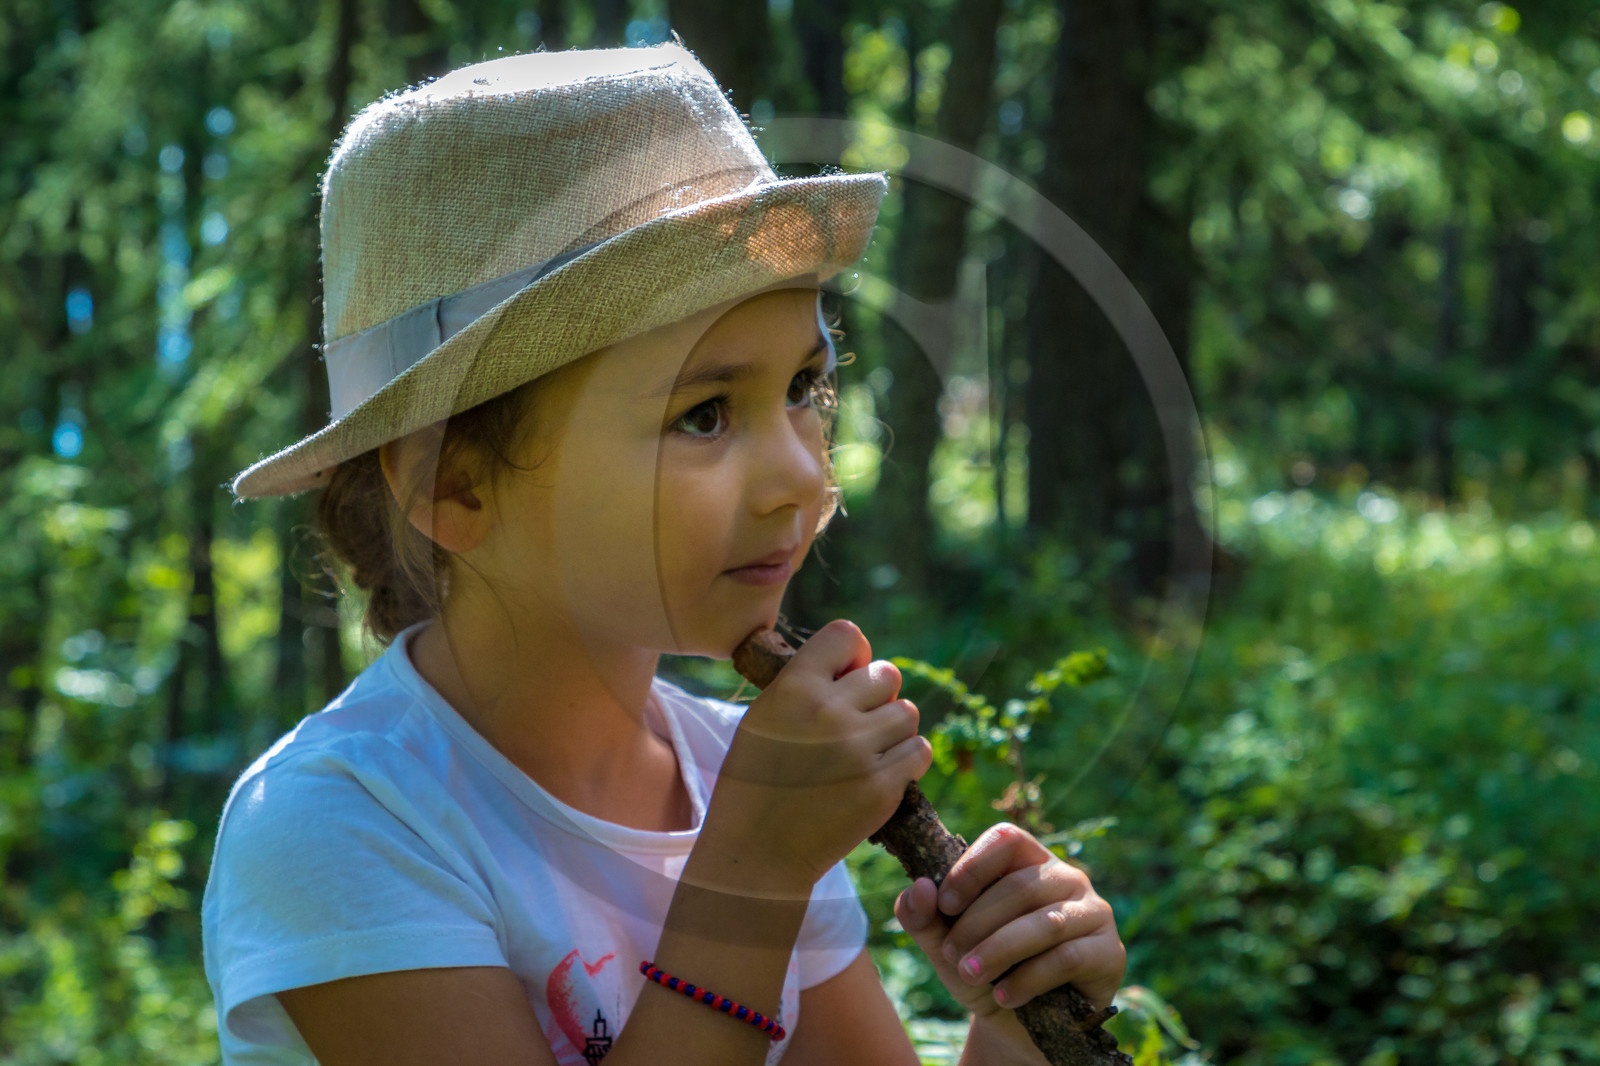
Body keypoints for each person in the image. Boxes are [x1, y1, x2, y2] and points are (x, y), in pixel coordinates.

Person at [202, 41, 1125, 1066]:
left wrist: (1012, 1025)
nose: (799, 478)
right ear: (450, 485)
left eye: (801, 390)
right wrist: (747, 878)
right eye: (702, 414)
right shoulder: (345, 823)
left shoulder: (738, 772)